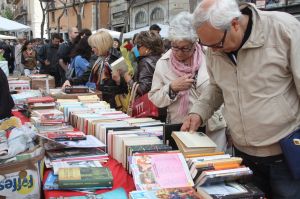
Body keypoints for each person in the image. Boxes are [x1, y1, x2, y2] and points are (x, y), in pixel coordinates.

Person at [181, 0, 300, 198]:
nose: (214, 50)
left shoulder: (284, 29)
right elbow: (217, 86)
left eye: (218, 44)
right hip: (242, 154)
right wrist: (198, 112)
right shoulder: (214, 45)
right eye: (208, 46)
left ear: (235, 23)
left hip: (285, 153)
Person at [87, 30, 127, 108]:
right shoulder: (99, 59)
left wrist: (119, 80)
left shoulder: (116, 59)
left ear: (101, 45)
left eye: (94, 47)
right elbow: (86, 74)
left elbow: (126, 86)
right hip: (102, 100)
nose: (92, 49)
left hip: (114, 104)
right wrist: (71, 81)